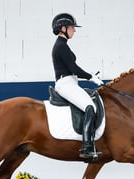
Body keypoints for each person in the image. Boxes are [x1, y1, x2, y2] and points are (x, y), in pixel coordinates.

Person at [51, 13, 103, 160]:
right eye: (72, 27)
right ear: (63, 28)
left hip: (70, 82)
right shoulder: (61, 46)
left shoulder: (63, 45)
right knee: (90, 108)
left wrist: (89, 75)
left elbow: (73, 70)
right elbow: (74, 68)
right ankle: (87, 147)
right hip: (65, 84)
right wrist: (91, 77)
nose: (74, 30)